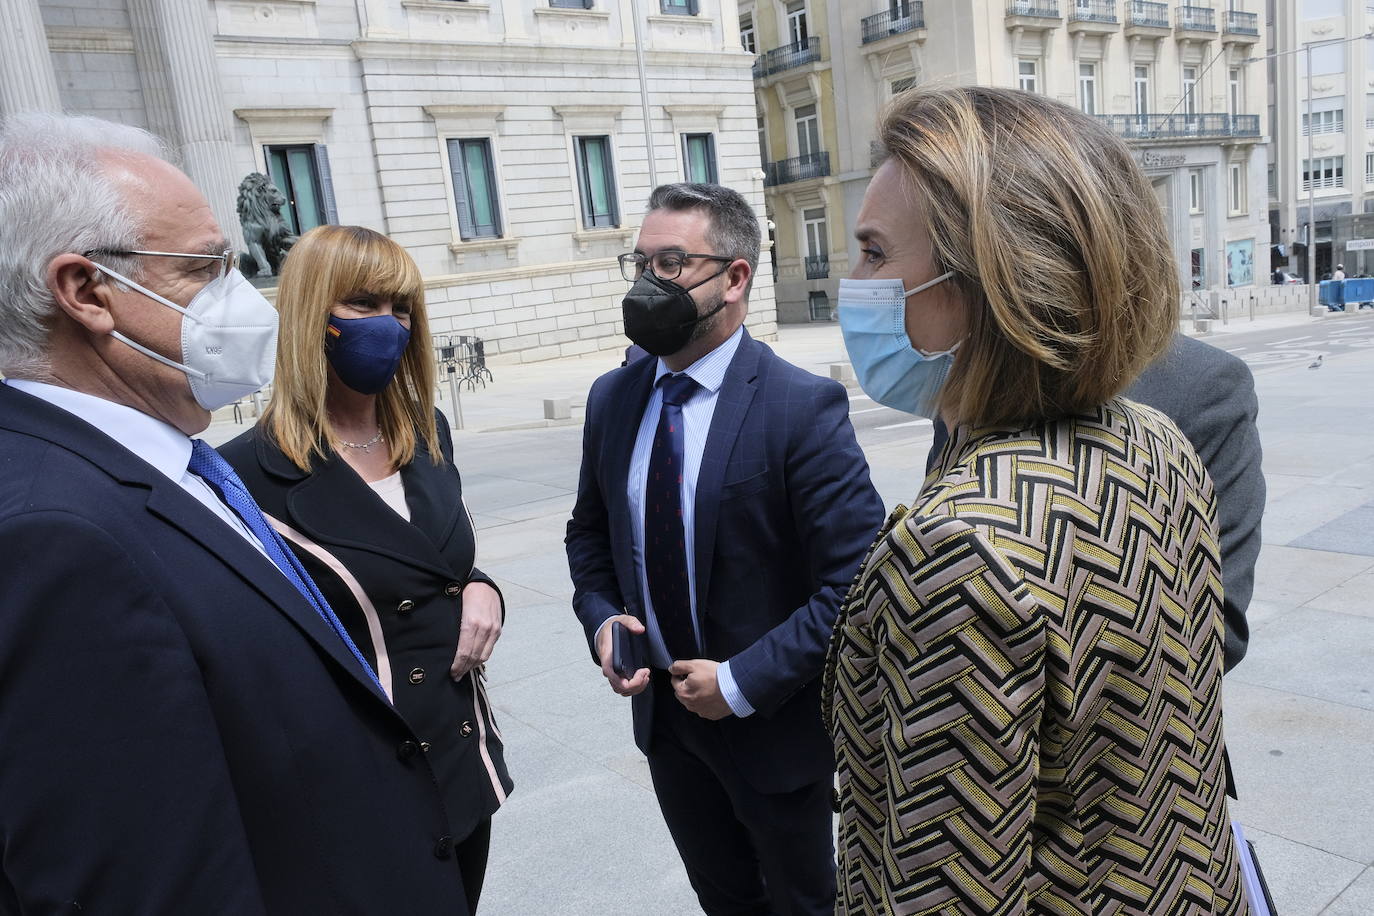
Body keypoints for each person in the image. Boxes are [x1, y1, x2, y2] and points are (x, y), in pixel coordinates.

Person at [0, 114, 471, 911]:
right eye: (207, 267)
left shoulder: (168, 461)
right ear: (86, 292)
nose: (240, 293)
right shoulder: (50, 534)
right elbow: (149, 879)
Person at [825, 87, 1245, 913]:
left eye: (875, 253)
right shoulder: (1153, 440)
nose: (853, 281)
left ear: (985, 283)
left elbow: (940, 889)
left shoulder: (958, 551)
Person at [565, 182, 885, 916]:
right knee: (725, 901)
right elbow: (589, 536)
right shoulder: (615, 399)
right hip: (669, 733)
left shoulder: (798, 408)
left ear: (735, 278)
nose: (650, 283)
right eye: (641, 264)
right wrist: (602, 616)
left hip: (771, 733)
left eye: (672, 263)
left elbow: (860, 583)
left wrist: (740, 681)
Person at [219, 224, 511, 914]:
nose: (390, 325)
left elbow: (439, 563)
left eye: (401, 308)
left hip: (459, 763)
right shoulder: (241, 477)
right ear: (309, 315)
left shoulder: (425, 429)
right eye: (362, 305)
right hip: (358, 794)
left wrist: (482, 588)